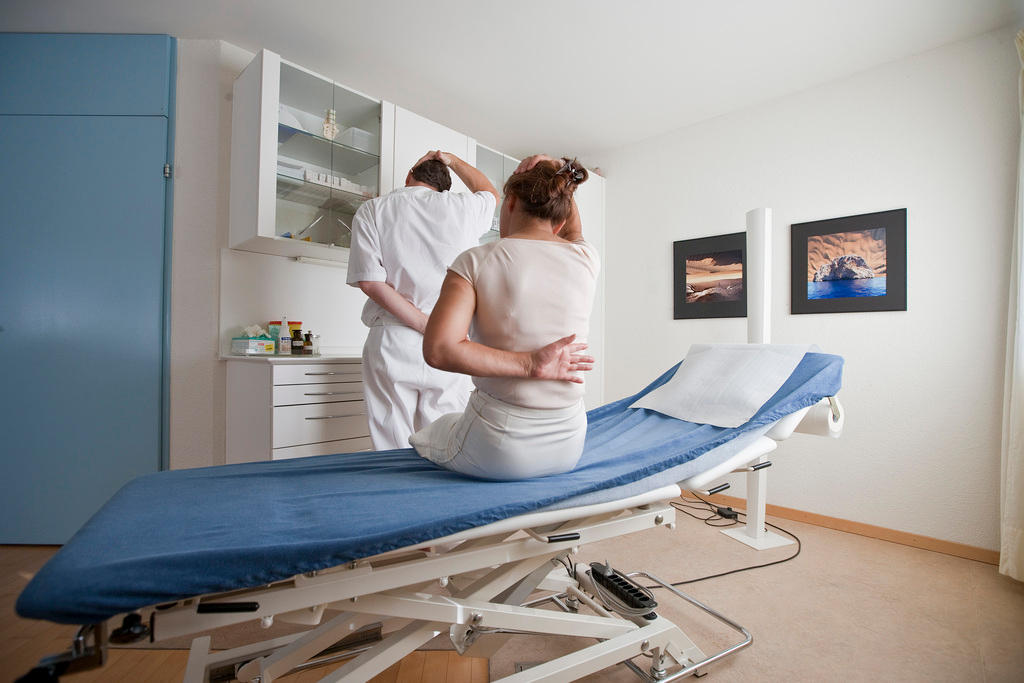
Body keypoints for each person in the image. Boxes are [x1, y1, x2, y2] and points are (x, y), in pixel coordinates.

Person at [409, 155, 598, 480]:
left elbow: (438, 350)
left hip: (501, 448)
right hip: (569, 444)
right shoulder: (586, 258)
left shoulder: (475, 260)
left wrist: (529, 364)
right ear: (562, 217)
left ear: (509, 202)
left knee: (427, 433)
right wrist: (557, 168)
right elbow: (573, 229)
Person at [347, 151, 499, 450]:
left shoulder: (373, 209)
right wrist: (452, 159)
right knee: (444, 441)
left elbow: (370, 282)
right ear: (445, 188)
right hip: (449, 341)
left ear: (409, 176)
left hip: (392, 340)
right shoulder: (464, 207)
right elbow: (489, 192)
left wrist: (422, 324)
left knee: (390, 443)